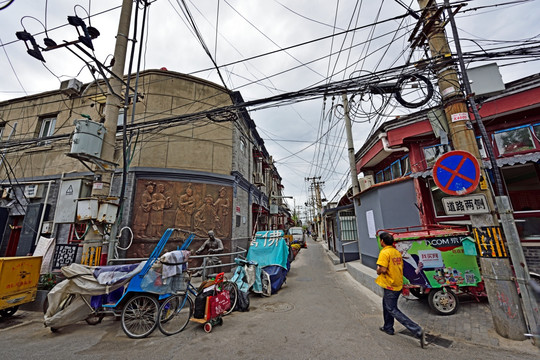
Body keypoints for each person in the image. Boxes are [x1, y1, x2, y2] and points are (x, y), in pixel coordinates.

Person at [376, 231, 426, 348]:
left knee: (392, 309)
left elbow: (382, 269)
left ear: (382, 241)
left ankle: (417, 330)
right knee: (386, 305)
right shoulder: (396, 252)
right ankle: (388, 327)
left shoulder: (385, 252)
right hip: (397, 283)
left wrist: (378, 269)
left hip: (390, 284)